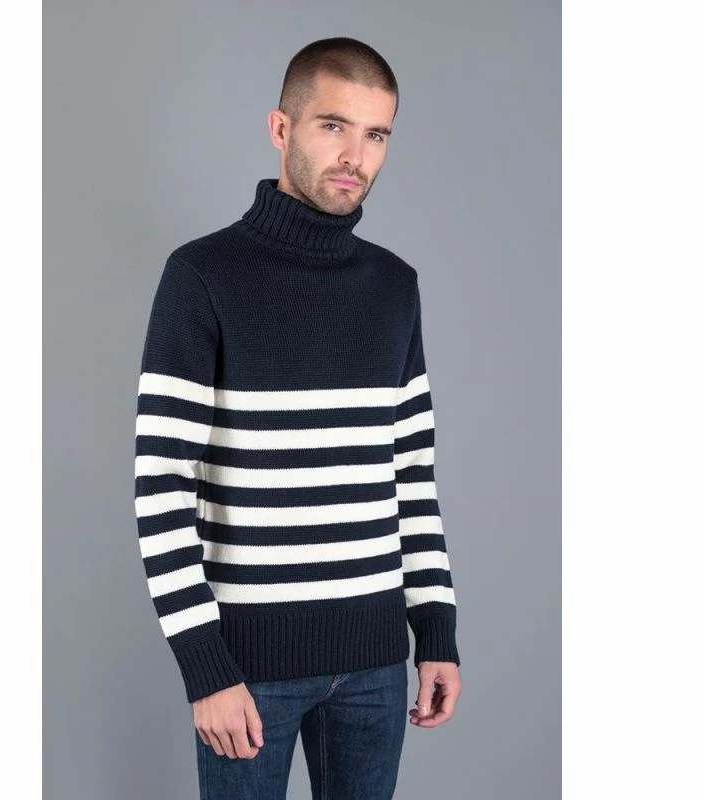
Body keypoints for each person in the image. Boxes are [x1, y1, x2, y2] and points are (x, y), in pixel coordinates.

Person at [133, 36, 462, 799]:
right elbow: (162, 489)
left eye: (375, 134)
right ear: (281, 129)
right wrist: (206, 669)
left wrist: (435, 633)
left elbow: (411, 478)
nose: (355, 155)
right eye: (333, 126)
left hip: (376, 665)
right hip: (249, 672)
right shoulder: (202, 277)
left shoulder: (394, 287)